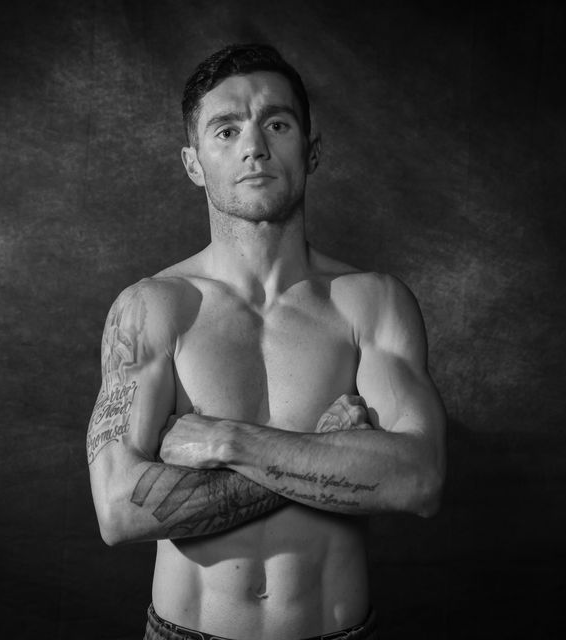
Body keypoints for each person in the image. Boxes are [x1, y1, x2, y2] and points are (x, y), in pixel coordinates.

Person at [87, 43, 446, 640]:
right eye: (225, 130)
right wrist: (325, 450)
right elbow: (120, 510)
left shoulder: (370, 301)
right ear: (193, 163)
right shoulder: (152, 307)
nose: (254, 145)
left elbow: (420, 480)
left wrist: (227, 440)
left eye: (276, 123)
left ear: (312, 150)